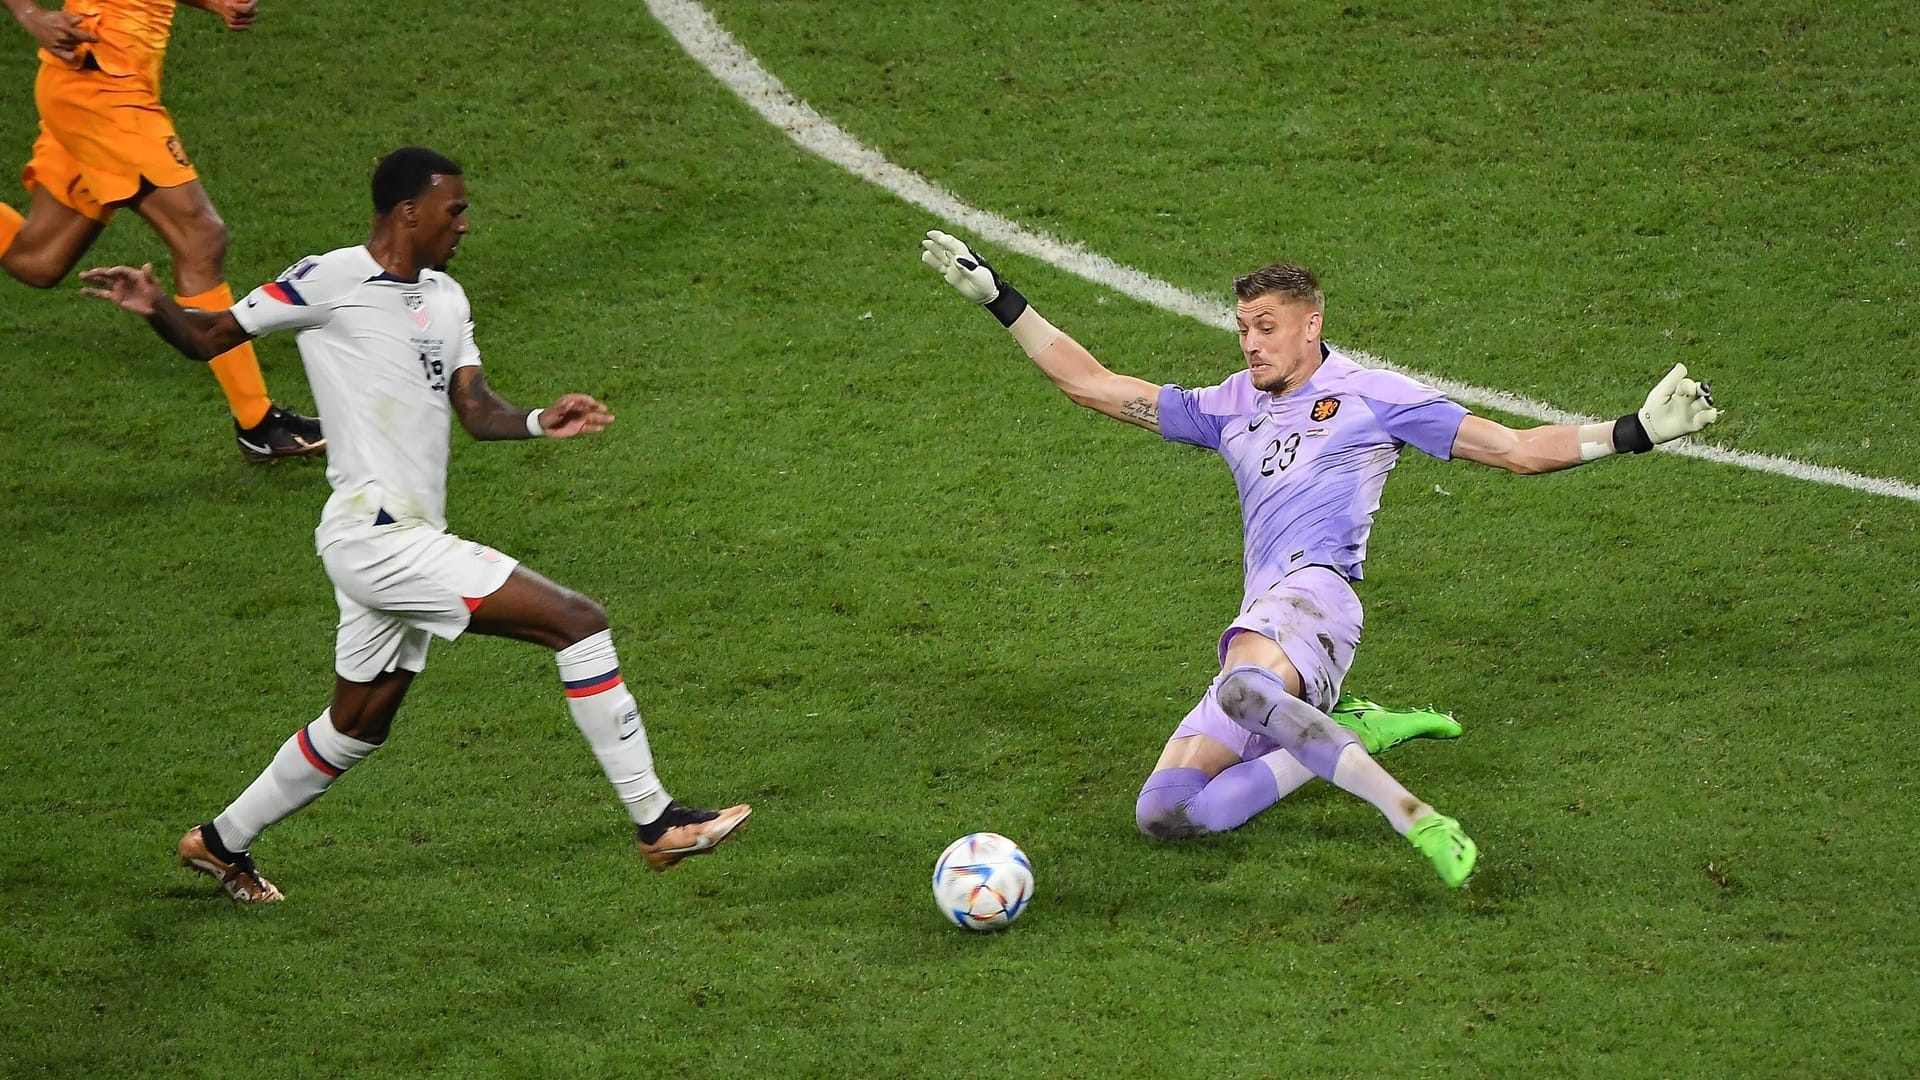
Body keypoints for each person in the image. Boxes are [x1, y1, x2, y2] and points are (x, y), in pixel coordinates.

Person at [920, 230, 1718, 887]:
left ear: (1312, 321)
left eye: (1266, 325)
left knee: (1241, 689)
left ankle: (1411, 814)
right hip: (1264, 610)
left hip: (1318, 600)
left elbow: (1514, 448)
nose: (1251, 341)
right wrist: (1000, 299)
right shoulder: (1225, 404)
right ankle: (1347, 735)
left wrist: (1631, 432)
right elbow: (1092, 385)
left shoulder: (1375, 396)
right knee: (1164, 814)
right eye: (1242, 326)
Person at [81, 147, 749, 902]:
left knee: (357, 725)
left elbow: (475, 408)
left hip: (401, 540)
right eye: (454, 209)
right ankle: (655, 822)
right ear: (408, 212)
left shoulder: (448, 298)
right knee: (577, 623)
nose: (464, 223)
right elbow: (213, 337)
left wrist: (537, 419)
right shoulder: (329, 279)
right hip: (376, 536)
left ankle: (218, 841)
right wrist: (158, 307)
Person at [2, 0, 322, 460]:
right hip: (100, 84)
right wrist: (31, 16)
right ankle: (257, 422)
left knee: (38, 262)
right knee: (201, 237)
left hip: (106, 80)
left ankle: (257, 425)